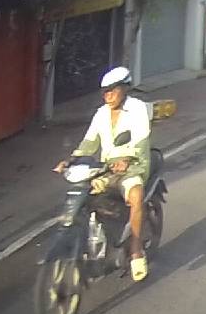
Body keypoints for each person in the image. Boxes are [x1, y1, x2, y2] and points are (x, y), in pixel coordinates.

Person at [55, 66, 152, 282]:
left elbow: (141, 138)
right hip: (106, 169)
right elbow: (89, 142)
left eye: (112, 90)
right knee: (85, 197)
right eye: (105, 91)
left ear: (124, 89)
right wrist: (71, 159)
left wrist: (127, 158)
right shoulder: (101, 114)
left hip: (133, 167)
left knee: (136, 195)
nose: (108, 95)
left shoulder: (137, 108)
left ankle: (136, 250)